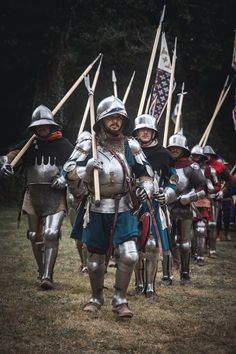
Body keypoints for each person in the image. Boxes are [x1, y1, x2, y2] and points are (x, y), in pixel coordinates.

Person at [61, 96, 154, 318]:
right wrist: (85, 169)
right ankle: (96, 298)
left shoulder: (131, 145)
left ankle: (120, 300)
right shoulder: (88, 144)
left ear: (123, 121)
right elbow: (67, 170)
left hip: (124, 207)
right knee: (95, 261)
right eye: (110, 118)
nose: (115, 122)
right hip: (96, 206)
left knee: (130, 255)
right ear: (101, 120)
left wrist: (146, 187)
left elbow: (146, 173)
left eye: (118, 118)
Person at [0, 105, 74, 290]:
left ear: (51, 125)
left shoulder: (63, 144)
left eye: (45, 125)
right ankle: (41, 271)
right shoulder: (28, 145)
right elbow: (12, 156)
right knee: (34, 236)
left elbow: (74, 165)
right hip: (32, 195)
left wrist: (64, 178)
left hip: (54, 195)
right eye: (38, 126)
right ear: (34, 127)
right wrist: (6, 163)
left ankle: (48, 276)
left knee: (51, 234)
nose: (42, 128)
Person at [132, 114, 177, 296]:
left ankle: (150, 286)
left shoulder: (164, 154)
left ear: (153, 132)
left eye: (148, 129)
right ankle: (138, 284)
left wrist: (166, 193)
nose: (145, 132)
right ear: (136, 132)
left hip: (154, 206)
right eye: (142, 129)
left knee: (151, 244)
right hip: (132, 204)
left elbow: (173, 179)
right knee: (133, 245)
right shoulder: (130, 151)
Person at [167, 133, 207, 285]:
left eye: (178, 147)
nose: (175, 149)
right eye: (172, 147)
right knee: (168, 243)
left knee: (184, 243)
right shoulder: (166, 165)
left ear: (183, 149)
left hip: (184, 209)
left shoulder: (192, 167)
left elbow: (203, 188)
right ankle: (168, 273)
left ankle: (184, 274)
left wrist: (189, 198)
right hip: (167, 208)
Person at [190, 145, 221, 264]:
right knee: (188, 230)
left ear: (202, 157)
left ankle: (200, 256)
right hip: (190, 201)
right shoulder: (189, 168)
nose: (196, 158)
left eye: (198, 156)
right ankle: (191, 253)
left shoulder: (210, 170)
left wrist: (212, 189)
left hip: (204, 202)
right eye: (194, 156)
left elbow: (216, 185)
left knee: (201, 229)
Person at [203, 146, 232, 251]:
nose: (206, 157)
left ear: (212, 155)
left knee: (212, 224)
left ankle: (212, 249)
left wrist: (222, 191)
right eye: (204, 155)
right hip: (200, 198)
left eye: (208, 155)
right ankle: (202, 247)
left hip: (214, 198)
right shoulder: (198, 165)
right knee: (201, 224)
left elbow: (230, 180)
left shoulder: (219, 165)